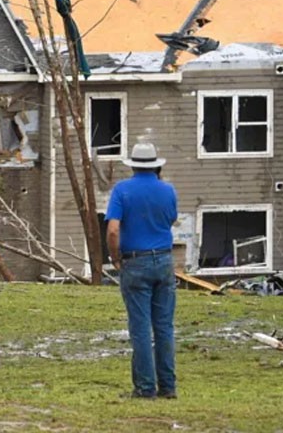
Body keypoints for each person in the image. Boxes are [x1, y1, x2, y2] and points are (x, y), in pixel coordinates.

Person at [105, 141, 178, 399]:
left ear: (133, 166)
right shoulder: (168, 190)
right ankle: (168, 387)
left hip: (135, 261)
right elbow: (171, 219)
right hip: (164, 260)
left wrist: (115, 257)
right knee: (164, 326)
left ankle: (145, 388)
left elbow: (113, 229)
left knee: (141, 328)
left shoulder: (122, 190)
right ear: (156, 165)